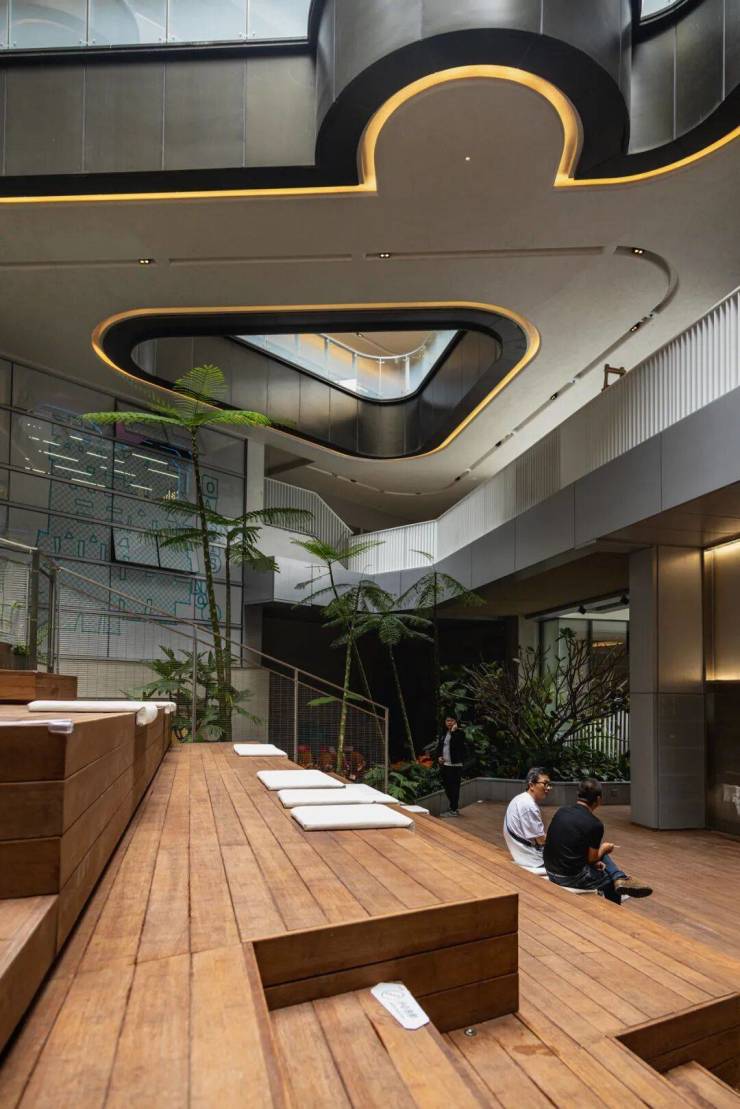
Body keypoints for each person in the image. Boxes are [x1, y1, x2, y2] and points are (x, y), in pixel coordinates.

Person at [544, 778, 652, 904]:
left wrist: (596, 859)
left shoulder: (561, 811)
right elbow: (592, 859)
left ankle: (619, 877)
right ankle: (616, 904)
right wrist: (604, 849)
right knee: (610, 880)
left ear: (578, 795)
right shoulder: (595, 824)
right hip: (569, 877)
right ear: (599, 799)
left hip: (550, 869)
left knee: (595, 849)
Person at [503, 767, 550, 869]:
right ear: (531, 785)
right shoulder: (529, 806)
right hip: (532, 859)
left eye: (549, 784)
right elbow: (541, 840)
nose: (548, 788)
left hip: (521, 853)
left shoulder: (520, 798)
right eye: (545, 784)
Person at [435, 715, 466, 817]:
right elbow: (440, 747)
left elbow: (457, 745)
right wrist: (439, 757)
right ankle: (453, 806)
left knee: (454, 787)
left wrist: (453, 732)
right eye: (447, 720)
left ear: (455, 722)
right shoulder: (444, 733)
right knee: (447, 786)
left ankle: (454, 809)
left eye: (451, 721)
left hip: (455, 765)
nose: (449, 722)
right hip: (445, 764)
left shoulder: (460, 733)